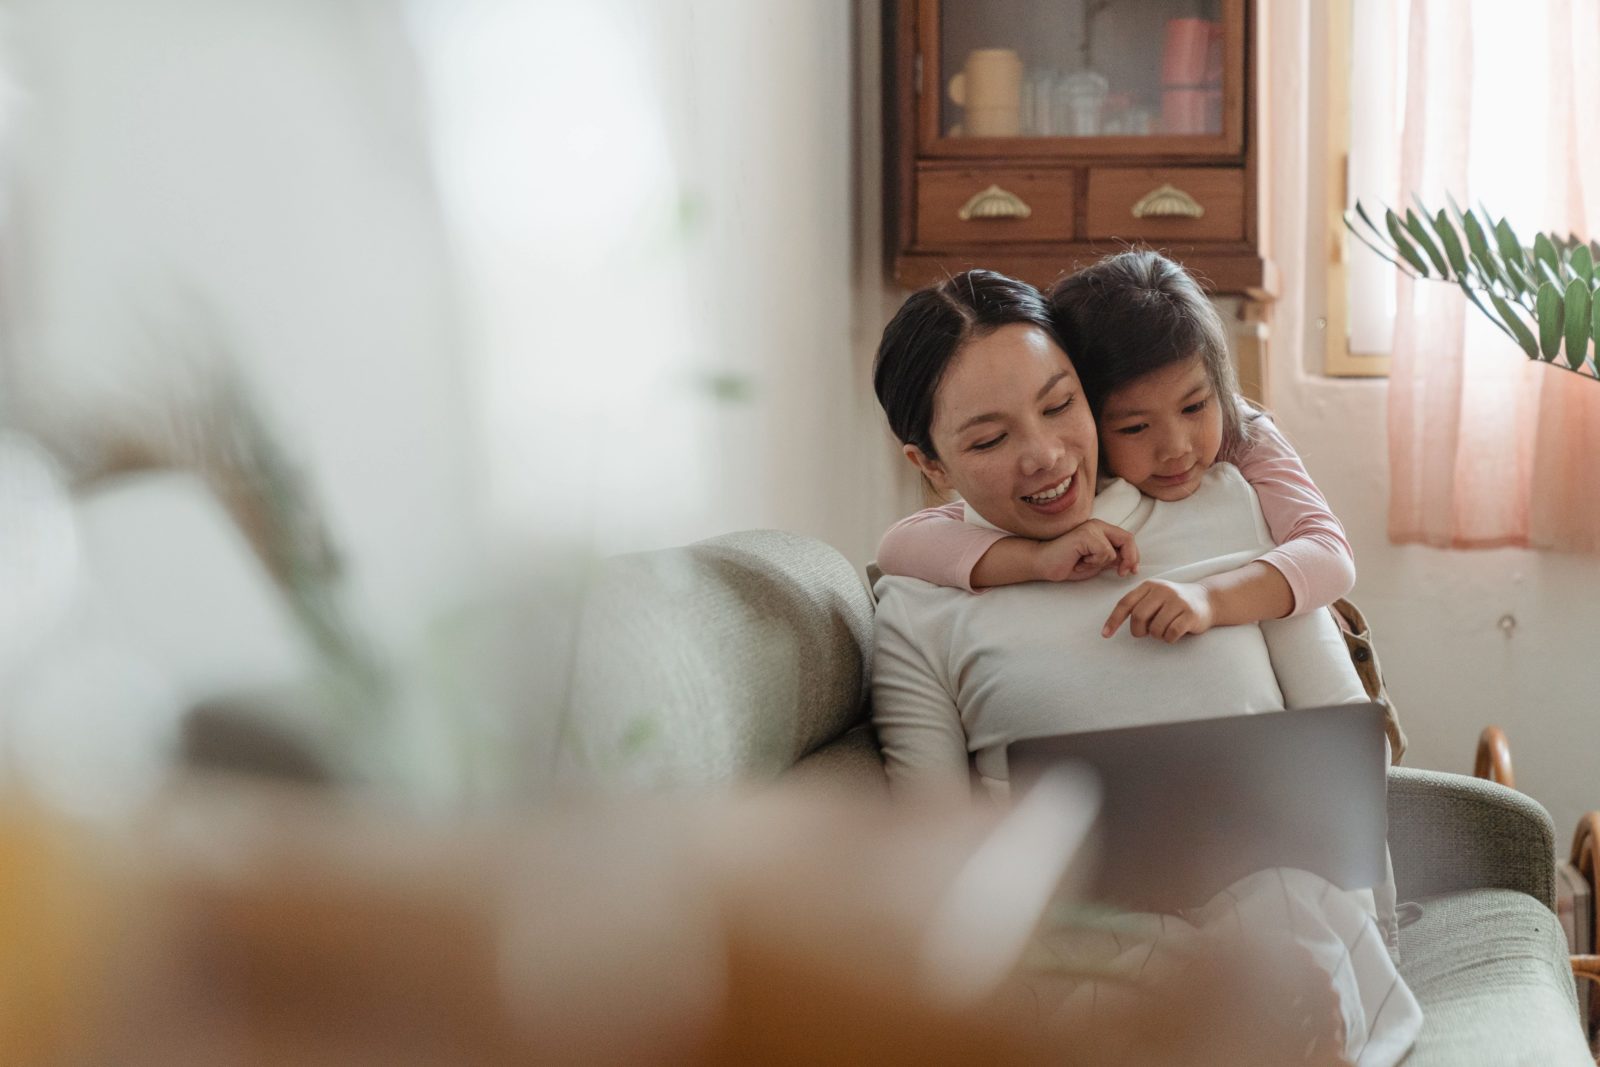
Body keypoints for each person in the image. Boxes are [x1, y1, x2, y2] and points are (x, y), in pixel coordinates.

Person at [867, 267, 1421, 1065]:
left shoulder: (1230, 501)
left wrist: (1380, 931)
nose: (1045, 454)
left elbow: (1338, 736)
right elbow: (935, 841)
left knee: (1279, 921)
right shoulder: (919, 603)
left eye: (1061, 405)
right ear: (929, 463)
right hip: (1075, 942)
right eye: (990, 439)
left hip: (1281, 919)